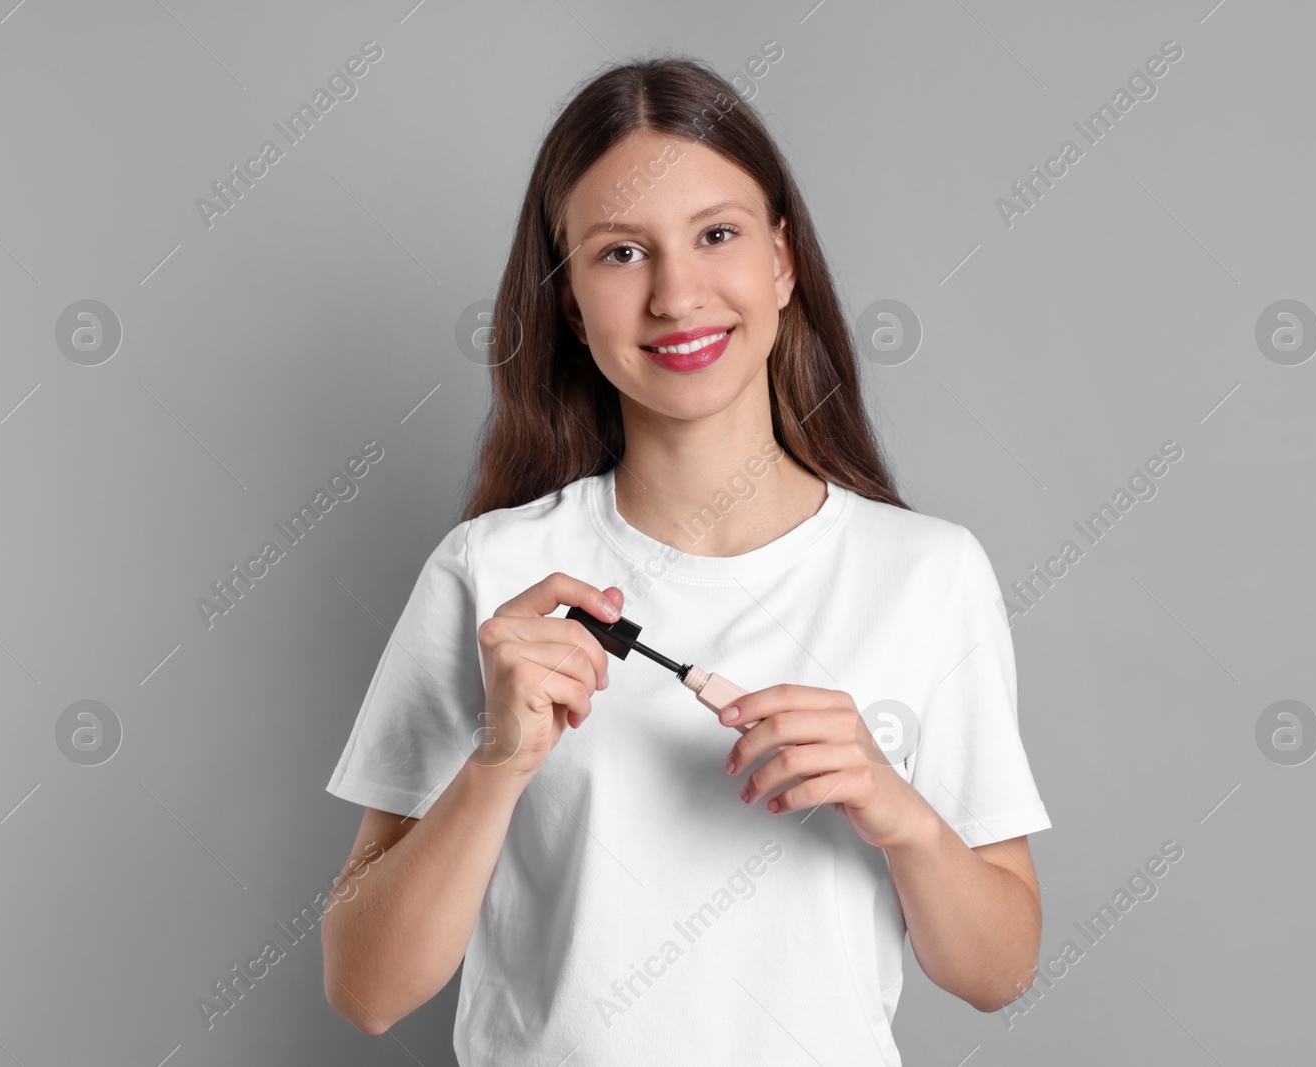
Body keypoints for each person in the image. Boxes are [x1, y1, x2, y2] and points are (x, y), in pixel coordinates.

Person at [320, 54, 1050, 1065]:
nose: (676, 293)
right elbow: (364, 988)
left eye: (716, 235)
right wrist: (499, 762)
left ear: (782, 261)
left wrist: (900, 814)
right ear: (572, 301)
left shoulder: (929, 574)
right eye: (621, 253)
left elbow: (996, 971)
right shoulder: (492, 575)